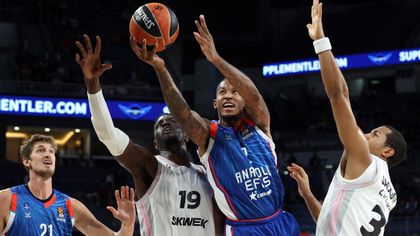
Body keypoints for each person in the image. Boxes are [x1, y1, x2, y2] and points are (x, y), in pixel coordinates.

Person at [129, 16, 299, 235]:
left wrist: (215, 59)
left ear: (243, 100)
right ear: (215, 103)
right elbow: (184, 115)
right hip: (246, 229)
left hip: (281, 220)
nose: (228, 96)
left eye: (234, 92)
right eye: (222, 92)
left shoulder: (260, 125)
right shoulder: (209, 135)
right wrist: (160, 68)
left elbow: (254, 96)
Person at [75, 34, 224, 235]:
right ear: (155, 142)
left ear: (187, 135)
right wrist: (92, 84)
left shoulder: (208, 174)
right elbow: (108, 135)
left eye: (172, 120)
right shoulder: (150, 166)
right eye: (159, 124)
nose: (165, 122)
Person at [287, 1, 407, 235]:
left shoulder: (366, 161)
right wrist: (308, 195)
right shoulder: (387, 190)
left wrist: (320, 42)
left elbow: (338, 94)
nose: (365, 134)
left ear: (387, 151)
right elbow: (328, 223)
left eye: (376, 134)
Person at [0, 134, 135, 236]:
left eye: (51, 151)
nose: (48, 154)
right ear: (27, 162)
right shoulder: (7, 199)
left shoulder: (70, 205)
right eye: (41, 150)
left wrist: (128, 225)